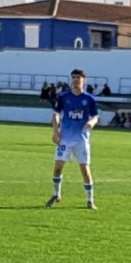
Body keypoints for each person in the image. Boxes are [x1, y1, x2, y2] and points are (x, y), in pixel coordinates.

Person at [45, 69, 100, 210]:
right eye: (74, 77)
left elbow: (95, 116)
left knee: (85, 170)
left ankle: (90, 200)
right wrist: (56, 132)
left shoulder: (89, 99)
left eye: (78, 77)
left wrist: (91, 123)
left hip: (81, 140)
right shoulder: (63, 97)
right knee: (57, 167)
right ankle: (56, 194)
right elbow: (56, 114)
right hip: (65, 139)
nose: (76, 80)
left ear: (84, 80)